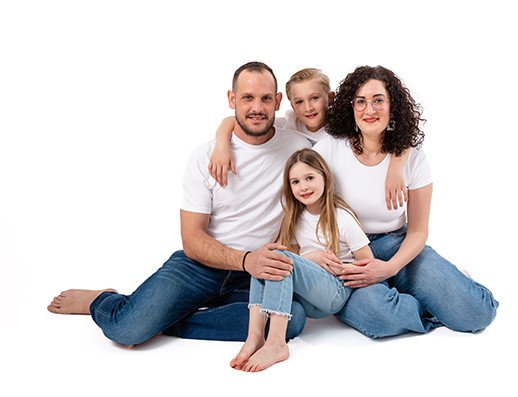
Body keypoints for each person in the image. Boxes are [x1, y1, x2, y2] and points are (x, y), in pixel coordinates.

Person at [47, 61, 312, 345]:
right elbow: (192, 239)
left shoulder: (297, 148)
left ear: (278, 102)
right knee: (126, 330)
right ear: (232, 99)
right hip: (202, 264)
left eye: (265, 98)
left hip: (253, 275)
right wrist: (246, 260)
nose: (257, 107)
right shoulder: (204, 157)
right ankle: (102, 300)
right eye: (247, 97)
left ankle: (164, 321)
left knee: (291, 319)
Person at [313, 65, 499, 338]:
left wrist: (390, 267)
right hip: (349, 253)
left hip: (397, 245)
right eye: (361, 102)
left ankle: (443, 289)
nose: (369, 110)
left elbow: (418, 231)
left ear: (392, 107)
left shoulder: (413, 158)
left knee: (477, 314)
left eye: (378, 100)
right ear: (351, 107)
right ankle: (430, 307)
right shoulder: (331, 147)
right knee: (378, 317)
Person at [230, 148, 373, 372]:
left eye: (309, 178)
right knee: (267, 262)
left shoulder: (341, 217)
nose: (303, 187)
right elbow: (296, 261)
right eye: (295, 182)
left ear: (325, 177)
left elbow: (368, 263)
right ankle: (254, 338)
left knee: (277, 259)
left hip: (335, 292)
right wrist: (312, 258)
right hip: (309, 300)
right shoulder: (296, 219)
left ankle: (276, 344)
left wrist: (340, 267)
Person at [208, 67, 409, 210]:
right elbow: (239, 120)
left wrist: (396, 167)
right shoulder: (290, 123)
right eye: (299, 102)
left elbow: (402, 129)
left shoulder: (344, 124)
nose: (308, 108)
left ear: (329, 98)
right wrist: (221, 143)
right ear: (292, 106)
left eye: (314, 98)